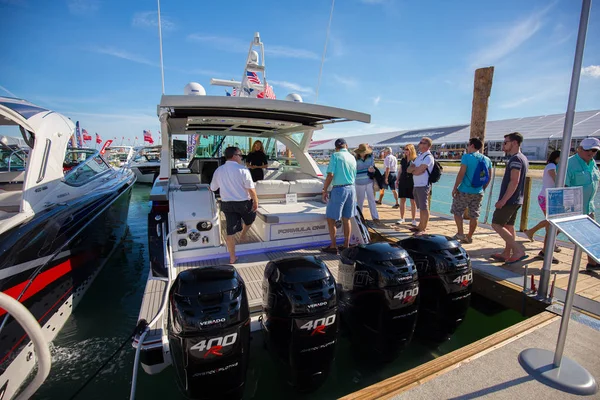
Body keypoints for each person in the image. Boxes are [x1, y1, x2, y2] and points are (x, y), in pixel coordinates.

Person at [210, 146, 259, 264]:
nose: (241, 157)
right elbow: (251, 190)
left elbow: (212, 188)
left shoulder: (218, 170)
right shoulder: (243, 170)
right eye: (240, 155)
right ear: (234, 156)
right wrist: (256, 202)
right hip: (243, 204)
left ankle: (232, 257)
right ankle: (243, 234)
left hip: (227, 204)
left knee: (230, 231)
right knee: (250, 218)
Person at [490, 132, 529, 264]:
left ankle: (518, 250)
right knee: (509, 225)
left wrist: (503, 200)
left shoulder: (516, 159)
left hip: (511, 199)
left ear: (514, 143)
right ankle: (507, 252)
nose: (503, 145)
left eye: (506, 142)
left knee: (496, 224)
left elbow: (514, 181)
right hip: (517, 199)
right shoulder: (522, 158)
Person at [565, 137, 600, 272]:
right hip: (574, 209)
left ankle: (592, 263)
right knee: (579, 239)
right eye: (587, 150)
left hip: (589, 207)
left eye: (594, 150)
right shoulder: (569, 163)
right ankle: (546, 251)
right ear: (579, 149)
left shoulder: (592, 163)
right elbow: (564, 186)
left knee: (592, 236)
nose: (590, 153)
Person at [450, 138, 492, 244]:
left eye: (468, 145)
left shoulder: (467, 157)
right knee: (474, 214)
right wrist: (483, 188)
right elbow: (488, 177)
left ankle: (460, 232)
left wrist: (455, 187)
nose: (467, 147)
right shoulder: (487, 159)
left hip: (464, 190)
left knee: (457, 211)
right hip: (478, 192)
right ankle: (469, 236)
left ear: (472, 145)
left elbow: (461, 173)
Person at [525, 150, 561, 264]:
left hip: (549, 196)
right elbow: (556, 181)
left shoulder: (552, 166)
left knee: (551, 223)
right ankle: (532, 231)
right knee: (553, 222)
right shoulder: (551, 166)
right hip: (547, 197)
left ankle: (551, 243)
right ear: (557, 157)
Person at [322, 138, 357, 254]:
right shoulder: (352, 157)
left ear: (336, 147)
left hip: (339, 189)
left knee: (331, 218)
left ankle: (333, 246)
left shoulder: (335, 156)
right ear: (346, 146)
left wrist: (325, 189)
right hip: (351, 189)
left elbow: (330, 174)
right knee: (347, 218)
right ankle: (346, 245)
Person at [407, 137, 435, 234]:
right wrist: (415, 170)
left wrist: (414, 170)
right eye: (420, 143)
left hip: (423, 184)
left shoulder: (428, 157)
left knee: (424, 207)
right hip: (417, 184)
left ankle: (423, 228)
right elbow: (408, 169)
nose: (421, 144)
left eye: (424, 143)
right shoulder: (420, 156)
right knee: (420, 207)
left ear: (428, 146)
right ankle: (420, 225)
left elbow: (419, 170)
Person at [354, 143, 380, 223]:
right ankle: (359, 217)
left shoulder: (370, 157)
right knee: (360, 201)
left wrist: (373, 170)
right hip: (358, 182)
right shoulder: (355, 159)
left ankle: (375, 217)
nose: (364, 153)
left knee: (371, 199)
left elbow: (373, 167)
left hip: (369, 181)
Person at [396, 144, 418, 226]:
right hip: (403, 181)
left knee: (413, 201)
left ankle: (413, 219)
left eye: (407, 149)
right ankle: (402, 218)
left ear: (411, 150)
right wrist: (397, 180)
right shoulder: (403, 159)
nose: (405, 151)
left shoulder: (416, 159)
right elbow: (400, 171)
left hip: (412, 181)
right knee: (402, 200)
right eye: (405, 149)